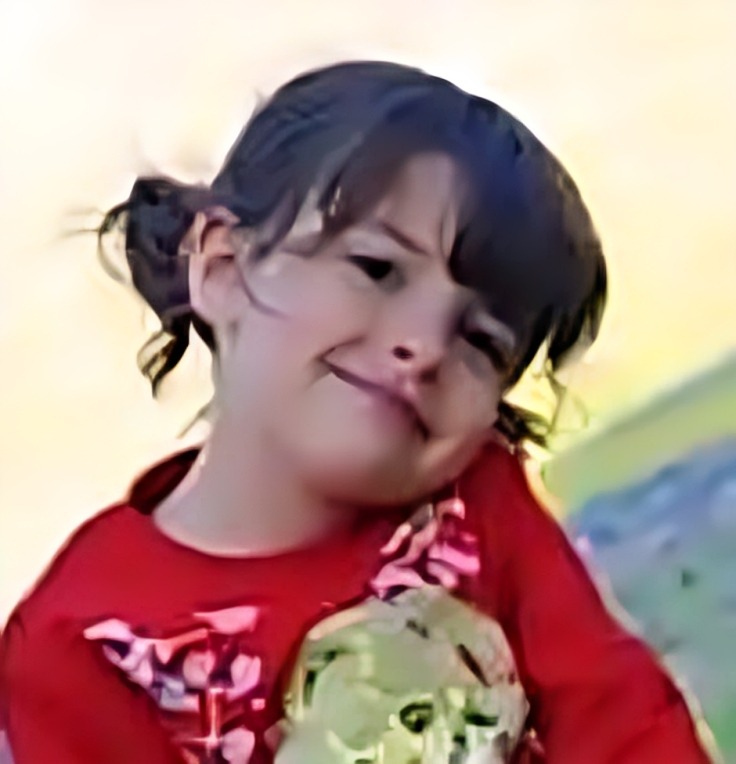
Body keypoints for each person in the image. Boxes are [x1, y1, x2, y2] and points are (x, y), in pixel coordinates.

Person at [0, 61, 715, 763]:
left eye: (480, 341)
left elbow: (624, 725)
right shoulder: (83, 646)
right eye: (377, 269)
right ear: (223, 269)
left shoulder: (474, 507)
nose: (424, 345)